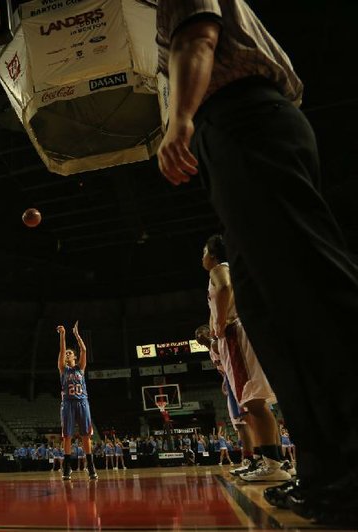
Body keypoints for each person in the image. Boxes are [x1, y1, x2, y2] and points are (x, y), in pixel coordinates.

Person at [156, 1, 358, 524]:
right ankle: (331, 473)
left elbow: (195, 37)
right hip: (249, 125)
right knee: (278, 314)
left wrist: (178, 118)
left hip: (244, 120)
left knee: (311, 297)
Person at [203, 234, 288, 482]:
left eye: (204, 253)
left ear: (213, 254)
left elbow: (225, 286)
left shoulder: (219, 269)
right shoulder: (234, 268)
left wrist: (219, 322)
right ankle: (274, 460)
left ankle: (272, 465)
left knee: (252, 403)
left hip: (234, 336)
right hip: (241, 334)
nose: (203, 258)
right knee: (257, 403)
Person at [195, 323, 256, 476]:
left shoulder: (218, 344)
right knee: (240, 424)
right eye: (196, 335)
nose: (197, 336)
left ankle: (259, 458)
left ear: (209, 333)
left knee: (247, 420)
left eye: (200, 333)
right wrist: (224, 381)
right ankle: (249, 459)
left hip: (239, 381)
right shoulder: (211, 351)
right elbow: (225, 368)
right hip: (230, 383)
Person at [57, 322, 97, 481]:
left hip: (82, 403)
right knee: (67, 436)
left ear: (74, 356)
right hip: (67, 404)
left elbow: (84, 350)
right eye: (65, 353)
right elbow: (61, 350)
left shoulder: (80, 368)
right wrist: (62, 335)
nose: (66, 354)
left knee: (86, 435)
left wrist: (76, 334)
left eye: (69, 353)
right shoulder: (63, 369)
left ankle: (91, 466)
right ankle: (67, 467)